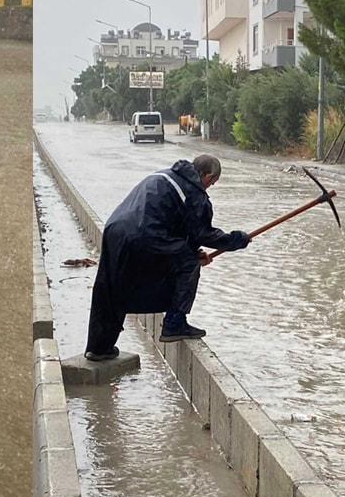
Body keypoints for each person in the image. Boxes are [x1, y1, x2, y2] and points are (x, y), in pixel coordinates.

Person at [84, 154, 251, 361]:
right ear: (206, 175)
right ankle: (174, 324)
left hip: (116, 231)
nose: (210, 186)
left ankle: (99, 348)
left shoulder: (166, 176)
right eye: (212, 182)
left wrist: (192, 250)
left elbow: (176, 224)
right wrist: (237, 240)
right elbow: (203, 233)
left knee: (112, 287)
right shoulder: (193, 192)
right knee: (189, 265)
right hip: (146, 235)